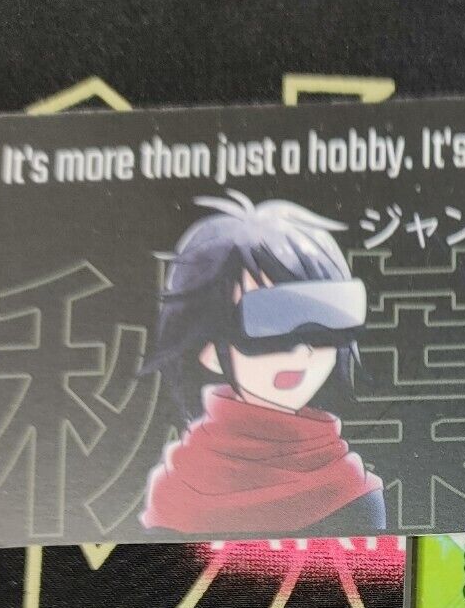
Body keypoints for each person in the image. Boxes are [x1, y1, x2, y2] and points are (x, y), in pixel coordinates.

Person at [138, 190, 384, 537]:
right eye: (269, 320)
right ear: (208, 347)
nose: (301, 350)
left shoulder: (353, 493)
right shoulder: (177, 491)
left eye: (324, 317)